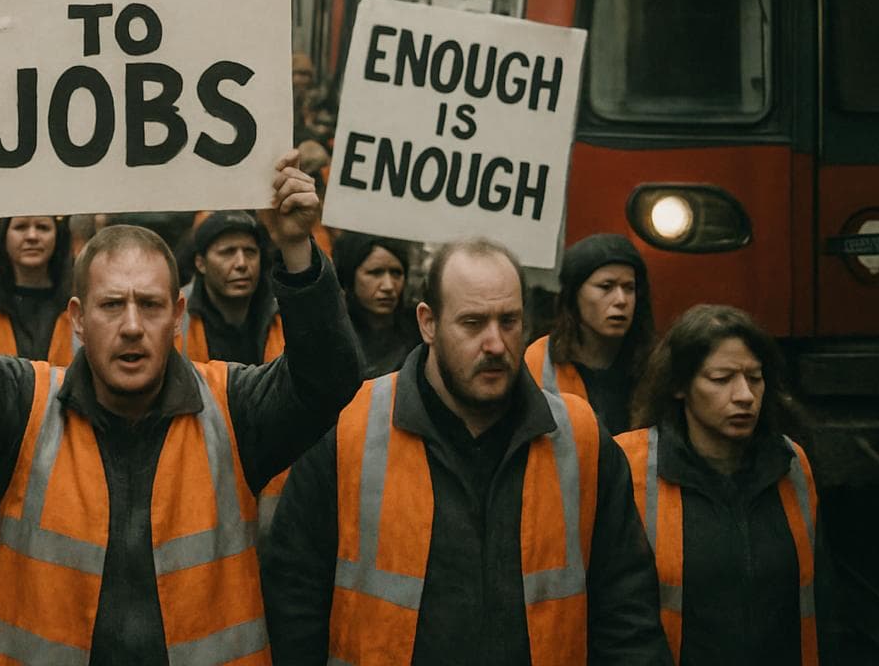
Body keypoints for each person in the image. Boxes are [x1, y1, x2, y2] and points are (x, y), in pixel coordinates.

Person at [0, 152, 363, 664]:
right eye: (110, 305)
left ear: (177, 315)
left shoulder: (232, 411)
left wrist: (296, 247)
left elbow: (328, 379)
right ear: (77, 318)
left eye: (149, 304)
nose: (130, 325)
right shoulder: (25, 409)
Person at [261, 237, 668, 666]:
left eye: (508, 321)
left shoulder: (579, 438)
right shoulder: (348, 428)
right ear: (428, 323)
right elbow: (294, 599)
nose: (495, 344)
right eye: (473, 323)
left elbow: (625, 608)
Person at [617, 304, 827, 666]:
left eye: (755, 377)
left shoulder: (791, 464)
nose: (744, 395)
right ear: (680, 386)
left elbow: (823, 601)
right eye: (721, 379)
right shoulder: (630, 467)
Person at [525, 233, 655, 435]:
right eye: (606, 286)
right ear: (574, 295)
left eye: (629, 288)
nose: (621, 299)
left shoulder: (655, 365)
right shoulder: (539, 361)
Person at [178, 210, 285, 364]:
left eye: (250, 252)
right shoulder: (176, 315)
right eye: (227, 252)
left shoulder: (284, 308)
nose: (241, 263)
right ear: (201, 263)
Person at [0, 216, 77, 365]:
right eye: (21, 227)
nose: (32, 236)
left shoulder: (81, 302)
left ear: (58, 235)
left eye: (42, 227)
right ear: (4, 235)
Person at [333, 232, 419, 378]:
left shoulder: (420, 335)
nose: (388, 286)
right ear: (349, 277)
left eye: (396, 273)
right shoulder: (332, 335)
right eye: (375, 272)